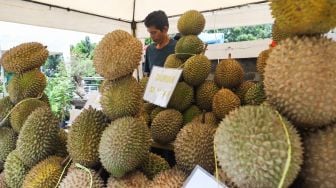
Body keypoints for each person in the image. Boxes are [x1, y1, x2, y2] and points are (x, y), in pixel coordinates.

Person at [143, 10, 177, 76]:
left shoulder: (177, 47)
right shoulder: (149, 49)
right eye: (150, 33)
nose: (151, 36)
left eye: (154, 32)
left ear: (165, 29)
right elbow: (148, 74)